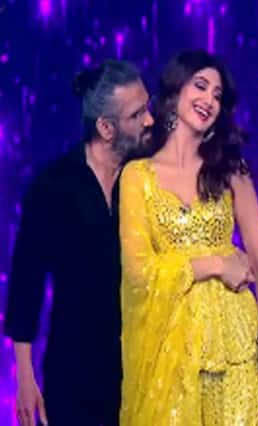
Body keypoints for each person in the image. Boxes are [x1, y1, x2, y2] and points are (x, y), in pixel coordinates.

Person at [119, 49, 258, 426]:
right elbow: (139, 273)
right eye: (201, 86)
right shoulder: (137, 177)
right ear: (175, 90)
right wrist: (215, 265)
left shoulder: (230, 170)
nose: (209, 99)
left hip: (236, 349)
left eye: (217, 95)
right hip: (171, 353)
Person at [4, 59, 154, 426]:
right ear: (106, 127)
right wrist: (25, 378)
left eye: (147, 108)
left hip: (141, 370)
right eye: (137, 115)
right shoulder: (53, 186)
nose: (150, 120)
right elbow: (25, 286)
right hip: (72, 374)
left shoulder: (148, 180)